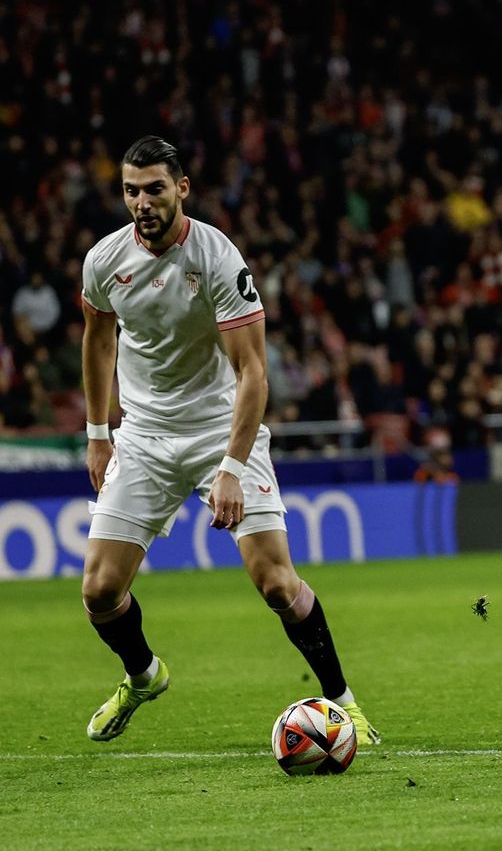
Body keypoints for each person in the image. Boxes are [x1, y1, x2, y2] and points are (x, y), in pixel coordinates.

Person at [77, 136, 380, 744]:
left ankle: (344, 704)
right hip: (144, 436)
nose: (143, 202)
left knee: (276, 582)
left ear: (181, 189)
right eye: (132, 191)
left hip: (221, 427)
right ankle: (143, 676)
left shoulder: (217, 258)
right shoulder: (104, 261)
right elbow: (98, 340)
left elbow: (253, 374)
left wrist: (231, 467)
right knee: (100, 591)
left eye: (155, 189)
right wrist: (97, 433)